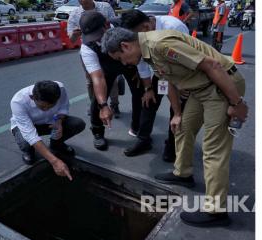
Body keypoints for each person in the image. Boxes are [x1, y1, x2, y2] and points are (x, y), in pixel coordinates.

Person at [100, 28, 248, 227]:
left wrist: (237, 103)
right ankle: (183, 173)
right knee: (183, 128)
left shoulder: (161, 45)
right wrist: (177, 113)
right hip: (200, 89)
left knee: (213, 150)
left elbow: (212, 65)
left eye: (121, 57)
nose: (124, 63)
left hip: (220, 87)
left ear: (125, 46)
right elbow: (166, 81)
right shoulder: (148, 53)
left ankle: (216, 211)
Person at [119, 9, 189, 160]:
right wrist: (148, 88)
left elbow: (187, 59)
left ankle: (172, 146)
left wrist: (182, 85)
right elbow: (142, 62)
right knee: (149, 102)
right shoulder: (140, 34)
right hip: (161, 74)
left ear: (145, 27)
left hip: (180, 75)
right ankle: (143, 140)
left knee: (176, 109)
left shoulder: (173, 27)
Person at [79, 11, 145, 151]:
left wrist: (141, 69)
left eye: (98, 34)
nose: (96, 39)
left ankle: (136, 125)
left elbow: (141, 47)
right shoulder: (87, 47)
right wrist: (104, 105)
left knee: (139, 93)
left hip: (130, 63)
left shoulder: (125, 26)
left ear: (106, 25)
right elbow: (97, 77)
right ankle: (97, 132)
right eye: (92, 36)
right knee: (98, 100)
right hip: (106, 69)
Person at [10, 80, 86, 181]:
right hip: (27, 125)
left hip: (51, 121)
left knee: (77, 124)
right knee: (26, 143)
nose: (46, 109)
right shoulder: (18, 102)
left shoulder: (60, 89)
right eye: (42, 106)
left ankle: (56, 144)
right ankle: (28, 150)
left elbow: (63, 106)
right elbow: (30, 134)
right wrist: (55, 162)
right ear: (32, 97)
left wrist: (59, 121)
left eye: (51, 106)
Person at [67, 0, 122, 117]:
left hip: (108, 47)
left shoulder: (105, 7)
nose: (82, 1)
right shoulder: (74, 14)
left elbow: (115, 26)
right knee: (91, 80)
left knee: (111, 78)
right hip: (89, 49)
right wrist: (75, 35)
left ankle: (114, 104)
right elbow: (71, 40)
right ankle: (95, 104)